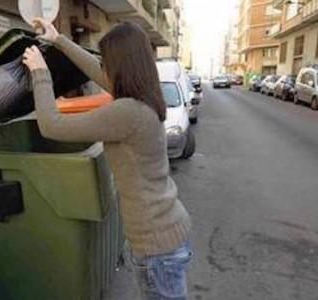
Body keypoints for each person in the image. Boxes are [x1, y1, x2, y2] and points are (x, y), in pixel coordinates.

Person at [22, 19, 192, 300]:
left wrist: (40, 73)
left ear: (121, 65)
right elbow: (97, 73)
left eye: (107, 62)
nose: (103, 68)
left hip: (156, 247)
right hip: (169, 232)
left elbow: (51, 125)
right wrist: (58, 39)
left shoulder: (126, 112)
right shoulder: (146, 97)